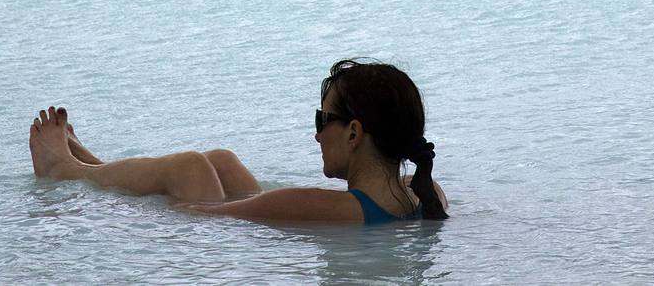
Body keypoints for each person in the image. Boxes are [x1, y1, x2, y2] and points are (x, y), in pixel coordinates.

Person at [29, 59, 448, 224]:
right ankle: (95, 170)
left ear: (354, 134)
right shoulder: (424, 194)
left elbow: (203, 215)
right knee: (223, 161)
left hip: (214, 243)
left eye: (322, 119)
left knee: (188, 166)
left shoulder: (322, 205)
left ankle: (67, 172)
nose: (316, 133)